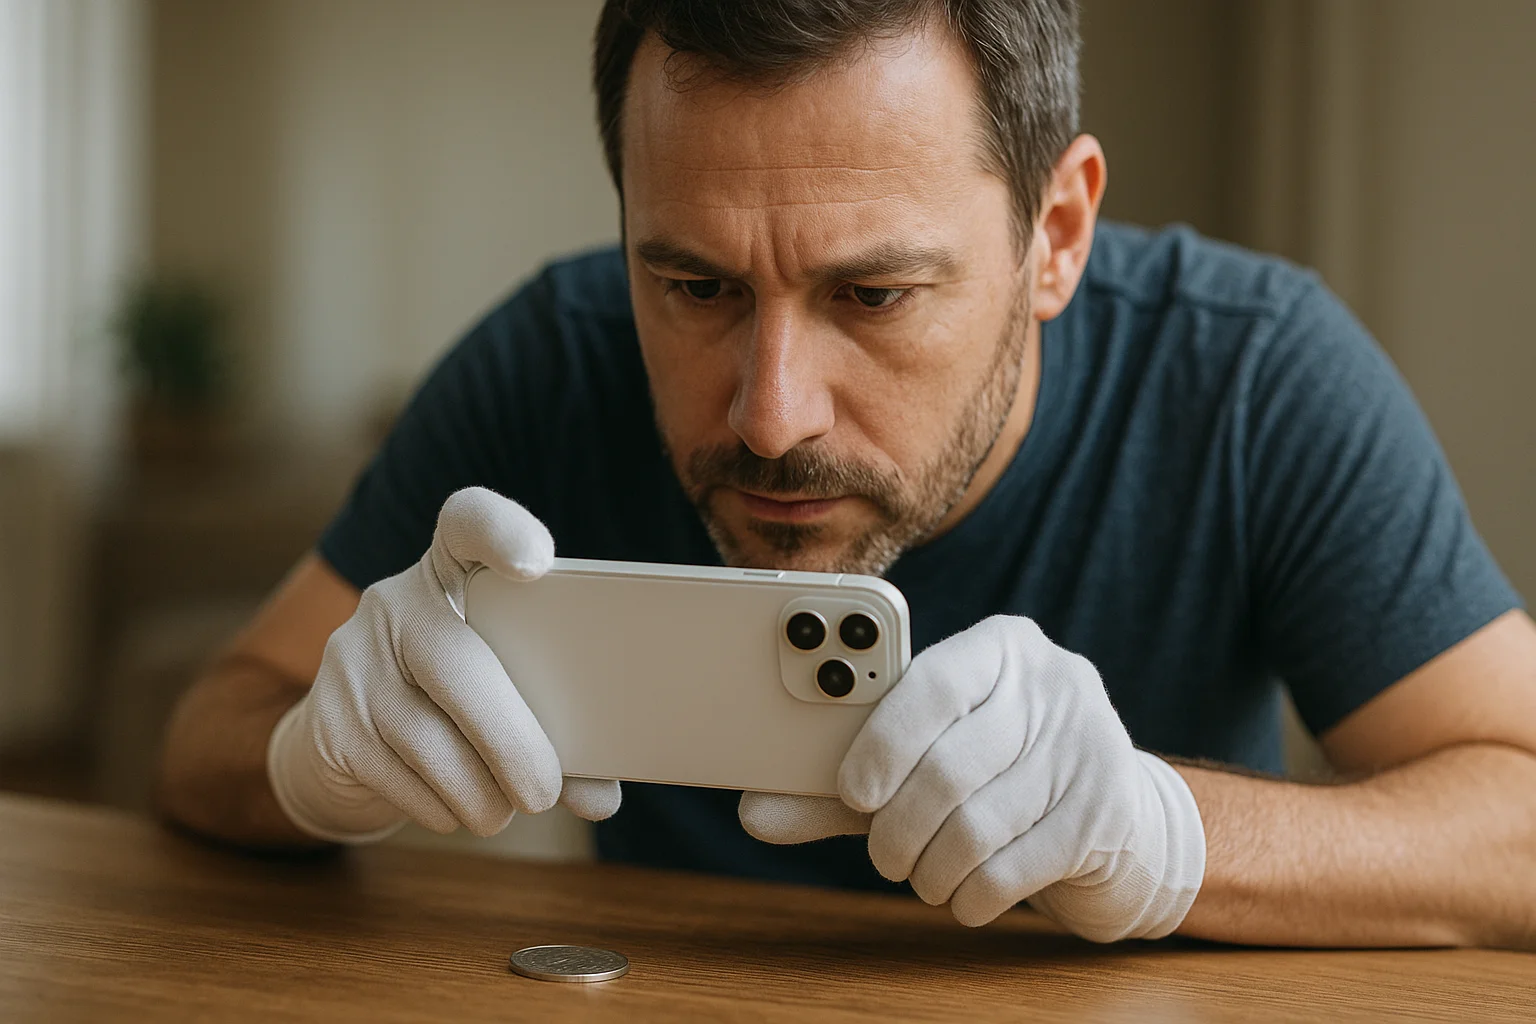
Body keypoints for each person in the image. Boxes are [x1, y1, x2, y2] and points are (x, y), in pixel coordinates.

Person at [158, 0, 1536, 948]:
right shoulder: (553, 357)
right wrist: (307, 763)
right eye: (693, 283)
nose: (768, 417)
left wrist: (1161, 834)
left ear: (1056, 233)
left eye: (873, 294)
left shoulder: (1252, 377)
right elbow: (210, 734)